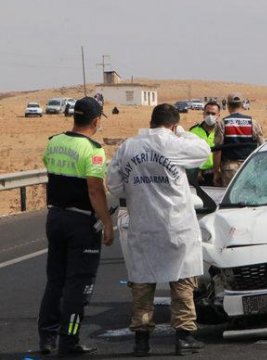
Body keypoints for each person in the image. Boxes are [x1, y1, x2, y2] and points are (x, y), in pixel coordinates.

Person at [107, 104, 210, 356]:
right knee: (182, 281)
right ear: (174, 125)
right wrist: (182, 134)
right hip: (176, 226)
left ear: (151, 122)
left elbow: (114, 185)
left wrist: (139, 189)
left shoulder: (129, 147)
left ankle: (141, 340)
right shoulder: (173, 143)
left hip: (143, 225)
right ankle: (184, 338)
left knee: (142, 283)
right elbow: (204, 151)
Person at [37, 97, 113, 357]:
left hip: (55, 217)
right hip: (81, 222)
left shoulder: (54, 141)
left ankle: (46, 338)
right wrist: (107, 222)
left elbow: (51, 170)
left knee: (55, 280)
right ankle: (69, 341)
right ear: (96, 120)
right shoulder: (93, 150)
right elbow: (95, 189)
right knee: (78, 286)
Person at [213, 92, 264, 187]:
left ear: (227, 105)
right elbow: (261, 147)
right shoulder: (253, 122)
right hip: (248, 168)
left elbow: (217, 150)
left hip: (229, 169)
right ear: (242, 104)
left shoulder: (222, 123)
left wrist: (216, 172)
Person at [188, 100, 220, 186]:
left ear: (218, 115)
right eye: (208, 113)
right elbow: (189, 153)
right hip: (199, 174)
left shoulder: (222, 132)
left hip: (218, 174)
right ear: (203, 114)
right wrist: (195, 170)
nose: (210, 116)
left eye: (213, 114)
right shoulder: (193, 131)